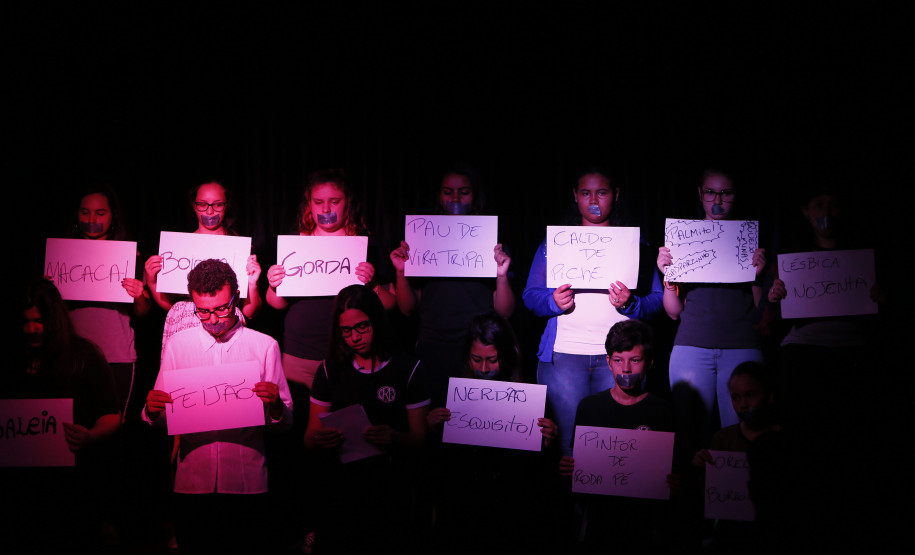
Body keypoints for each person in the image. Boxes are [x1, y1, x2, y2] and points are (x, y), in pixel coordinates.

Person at [142, 259, 292, 554]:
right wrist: (152, 410)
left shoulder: (264, 346)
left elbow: (286, 424)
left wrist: (275, 406)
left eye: (221, 308)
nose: (212, 319)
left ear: (236, 296)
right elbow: (160, 420)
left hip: (246, 481)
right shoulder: (178, 345)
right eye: (203, 311)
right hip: (192, 483)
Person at [523, 167, 663, 456]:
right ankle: (574, 503)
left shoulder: (636, 246)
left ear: (616, 195)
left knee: (616, 445)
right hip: (563, 357)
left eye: (602, 192)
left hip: (617, 358)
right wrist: (553, 302)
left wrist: (632, 303)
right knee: (568, 444)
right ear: (575, 196)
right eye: (586, 193)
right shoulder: (554, 244)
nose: (594, 199)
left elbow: (658, 300)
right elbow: (530, 296)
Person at [304, 284, 429, 554]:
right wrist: (319, 438)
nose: (354, 337)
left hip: (390, 486)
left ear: (376, 321)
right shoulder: (329, 370)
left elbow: (420, 436)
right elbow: (309, 437)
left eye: (362, 327)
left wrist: (396, 438)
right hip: (342, 487)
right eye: (346, 331)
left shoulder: (407, 368)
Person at [2, 277, 121, 553]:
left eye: (39, 321)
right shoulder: (10, 359)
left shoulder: (83, 355)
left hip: (72, 489)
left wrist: (90, 436)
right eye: (25, 321)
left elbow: (112, 414)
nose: (31, 329)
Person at [425, 312, 558, 554]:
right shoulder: (452, 393)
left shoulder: (530, 396)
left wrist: (547, 441)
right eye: (476, 359)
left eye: (492, 360)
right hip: (465, 504)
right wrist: (433, 427)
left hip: (511, 506)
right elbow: (440, 463)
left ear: (507, 355)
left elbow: (539, 473)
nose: (484, 368)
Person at [657, 169, 768, 446]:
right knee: (691, 435)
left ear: (735, 196)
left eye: (725, 193)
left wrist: (759, 276)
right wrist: (668, 276)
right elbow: (673, 312)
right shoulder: (682, 241)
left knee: (743, 435)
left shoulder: (748, 240)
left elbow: (761, 313)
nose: (717, 199)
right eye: (710, 192)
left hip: (741, 346)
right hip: (692, 347)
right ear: (700, 194)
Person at [390, 164, 514, 406]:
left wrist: (501, 275)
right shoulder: (422, 238)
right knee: (437, 422)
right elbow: (406, 308)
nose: (455, 198)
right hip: (433, 347)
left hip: (480, 349)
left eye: (464, 192)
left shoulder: (491, 241)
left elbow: (505, 312)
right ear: (439, 196)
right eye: (448, 192)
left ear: (475, 196)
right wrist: (401, 271)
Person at [558, 319, 674, 553]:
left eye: (635, 360)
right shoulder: (589, 407)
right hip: (599, 523)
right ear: (609, 362)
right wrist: (568, 468)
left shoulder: (662, 410)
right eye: (619, 360)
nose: (627, 369)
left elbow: (672, 470)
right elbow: (578, 466)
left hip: (645, 526)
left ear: (649, 363)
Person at [68, 186, 152, 417]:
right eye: (85, 212)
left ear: (113, 216)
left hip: (116, 356)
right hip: (70, 354)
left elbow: (143, 313)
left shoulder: (129, 257)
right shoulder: (63, 257)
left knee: (113, 429)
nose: (92, 219)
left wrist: (139, 296)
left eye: (100, 213)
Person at [145, 181, 262, 340]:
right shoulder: (179, 247)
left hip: (227, 325)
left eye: (217, 204)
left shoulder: (240, 248)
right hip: (184, 327)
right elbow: (173, 307)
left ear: (226, 205)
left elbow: (250, 312)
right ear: (194, 206)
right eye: (202, 204)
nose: (210, 210)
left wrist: (253, 285)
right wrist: (152, 282)